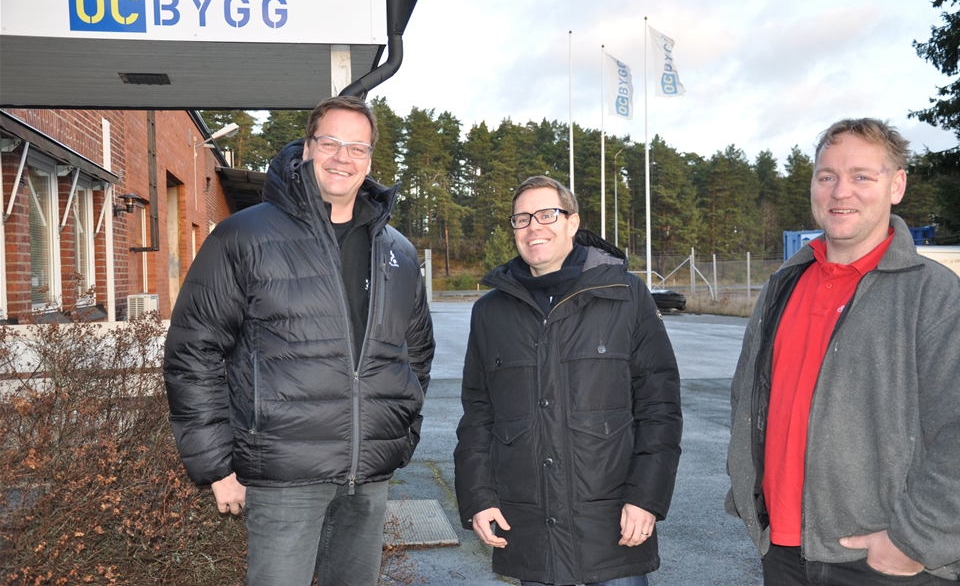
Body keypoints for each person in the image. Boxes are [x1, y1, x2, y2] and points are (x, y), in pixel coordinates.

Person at [163, 95, 434, 586]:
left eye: (357, 147)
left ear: (371, 159)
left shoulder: (398, 251)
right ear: (307, 148)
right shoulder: (243, 235)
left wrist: (400, 430)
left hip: (368, 475)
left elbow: (415, 353)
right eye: (330, 142)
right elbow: (193, 350)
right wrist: (215, 464)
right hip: (283, 475)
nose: (343, 157)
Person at [726, 118, 960, 585]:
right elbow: (746, 399)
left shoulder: (933, 295)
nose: (840, 192)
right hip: (784, 553)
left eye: (861, 177)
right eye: (827, 176)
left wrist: (914, 542)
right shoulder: (782, 286)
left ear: (896, 186)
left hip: (883, 562)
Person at [454, 175, 683, 586]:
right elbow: (477, 416)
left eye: (547, 214)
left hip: (613, 525)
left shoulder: (625, 295)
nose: (533, 227)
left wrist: (646, 498)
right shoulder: (490, 312)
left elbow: (658, 407)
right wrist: (478, 498)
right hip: (531, 527)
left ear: (573, 223)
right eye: (521, 218)